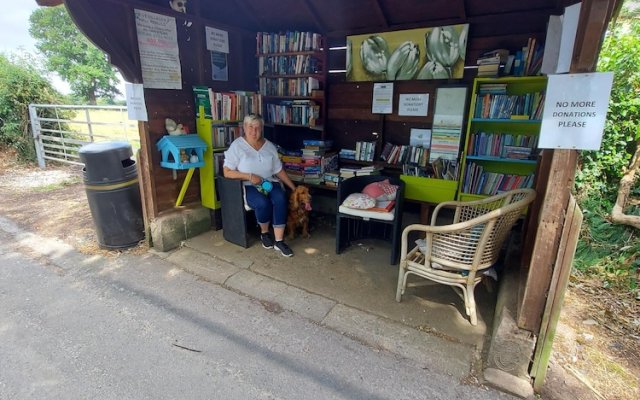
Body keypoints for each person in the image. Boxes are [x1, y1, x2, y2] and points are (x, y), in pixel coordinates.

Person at [223, 114, 297, 257]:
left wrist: (293, 187)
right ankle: (264, 232)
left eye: (257, 127)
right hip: (249, 185)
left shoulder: (269, 146)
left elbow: (278, 170)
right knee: (263, 203)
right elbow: (227, 172)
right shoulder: (237, 146)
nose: (254, 131)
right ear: (244, 127)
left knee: (280, 198)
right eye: (251, 127)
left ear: (262, 128)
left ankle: (279, 241)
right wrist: (249, 176)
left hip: (270, 182)